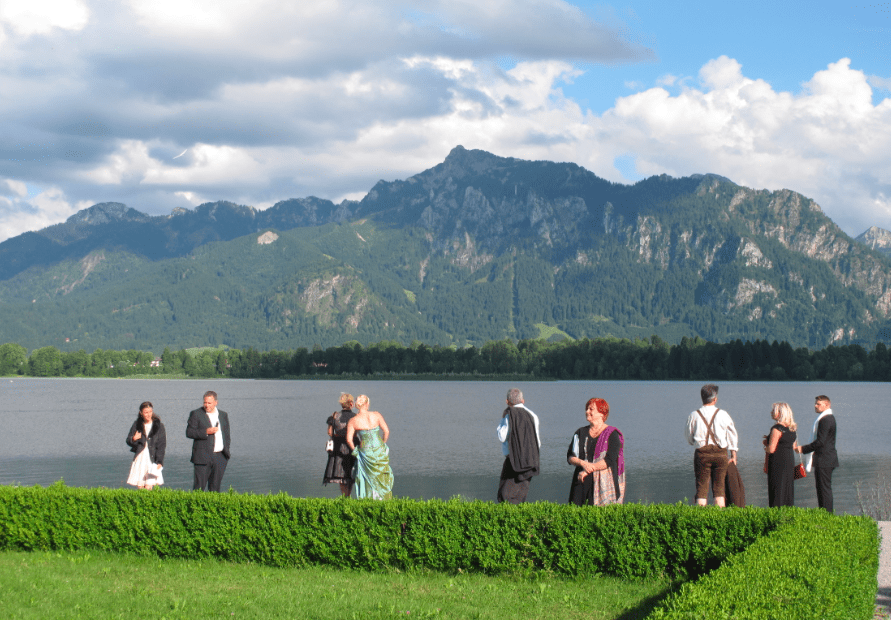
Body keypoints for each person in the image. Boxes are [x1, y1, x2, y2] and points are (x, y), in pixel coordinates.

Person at [685, 384, 738, 507]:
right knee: (719, 490)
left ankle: (701, 519)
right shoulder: (723, 414)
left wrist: (695, 443)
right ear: (715, 399)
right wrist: (733, 454)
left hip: (702, 454)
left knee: (701, 489)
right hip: (720, 453)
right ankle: (719, 520)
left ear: (702, 398)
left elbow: (688, 436)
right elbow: (732, 435)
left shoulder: (694, 415)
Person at [567, 397, 624, 506]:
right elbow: (571, 456)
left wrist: (588, 470)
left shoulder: (612, 435)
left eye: (591, 409)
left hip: (604, 483)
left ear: (602, 413)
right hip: (581, 482)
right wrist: (583, 463)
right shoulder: (580, 432)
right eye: (587, 409)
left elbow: (609, 460)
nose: (587, 411)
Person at [496, 388, 541, 504]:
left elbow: (502, 436)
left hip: (513, 461)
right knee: (520, 495)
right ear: (523, 401)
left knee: (505, 496)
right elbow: (537, 442)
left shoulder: (508, 415)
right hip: (530, 460)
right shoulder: (533, 416)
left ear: (507, 401)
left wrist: (502, 421)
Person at [795, 395, 839, 512]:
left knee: (823, 489)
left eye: (818, 404)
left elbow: (820, 442)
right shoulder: (826, 418)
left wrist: (803, 449)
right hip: (826, 458)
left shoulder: (825, 419)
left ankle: (826, 516)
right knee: (823, 489)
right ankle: (825, 514)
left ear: (827, 405)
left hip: (825, 459)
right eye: (816, 403)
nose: (815, 405)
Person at [345, 394, 393, 500]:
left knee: (367, 477)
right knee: (381, 474)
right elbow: (386, 431)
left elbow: (349, 440)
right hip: (379, 448)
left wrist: (355, 451)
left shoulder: (353, 421)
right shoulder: (376, 415)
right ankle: (383, 499)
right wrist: (383, 444)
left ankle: (368, 499)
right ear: (367, 404)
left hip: (366, 450)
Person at [186, 390, 231, 492]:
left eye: (209, 403)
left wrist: (226, 452)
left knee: (215, 488)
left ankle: (212, 507)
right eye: (205, 402)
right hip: (202, 456)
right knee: (199, 488)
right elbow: (189, 432)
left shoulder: (223, 415)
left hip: (220, 457)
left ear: (216, 402)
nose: (206, 405)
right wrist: (206, 431)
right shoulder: (196, 414)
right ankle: (196, 507)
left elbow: (227, 436)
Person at [763, 402, 798, 507]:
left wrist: (766, 445)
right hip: (789, 460)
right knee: (787, 488)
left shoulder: (777, 428)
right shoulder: (792, 429)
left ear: (780, 413)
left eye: (774, 410)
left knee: (777, 488)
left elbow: (772, 449)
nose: (771, 412)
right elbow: (793, 446)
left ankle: (776, 512)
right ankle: (788, 511)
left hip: (777, 462)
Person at [126, 401, 166, 489]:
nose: (148, 414)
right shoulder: (137, 425)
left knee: (149, 485)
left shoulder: (159, 426)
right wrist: (134, 439)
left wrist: (159, 461)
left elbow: (162, 445)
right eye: (146, 412)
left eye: (150, 412)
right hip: (140, 458)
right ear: (141, 413)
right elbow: (128, 440)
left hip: (152, 460)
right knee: (140, 486)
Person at [323, 392, 357, 496]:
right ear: (351, 403)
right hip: (352, 445)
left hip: (338, 446)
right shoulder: (355, 417)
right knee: (351, 472)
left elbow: (329, 432)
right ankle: (349, 495)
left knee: (341, 474)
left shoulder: (335, 415)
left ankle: (344, 496)